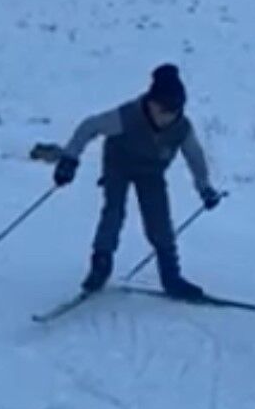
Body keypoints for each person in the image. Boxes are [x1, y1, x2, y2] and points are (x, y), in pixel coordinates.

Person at [54, 64, 222, 301]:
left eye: (174, 111)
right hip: (118, 165)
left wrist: (204, 188)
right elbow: (89, 126)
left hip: (151, 172)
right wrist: (69, 159)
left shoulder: (181, 128)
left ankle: (171, 277)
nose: (168, 117)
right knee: (114, 212)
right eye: (164, 110)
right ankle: (100, 266)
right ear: (151, 103)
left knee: (159, 220)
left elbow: (195, 156)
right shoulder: (126, 117)